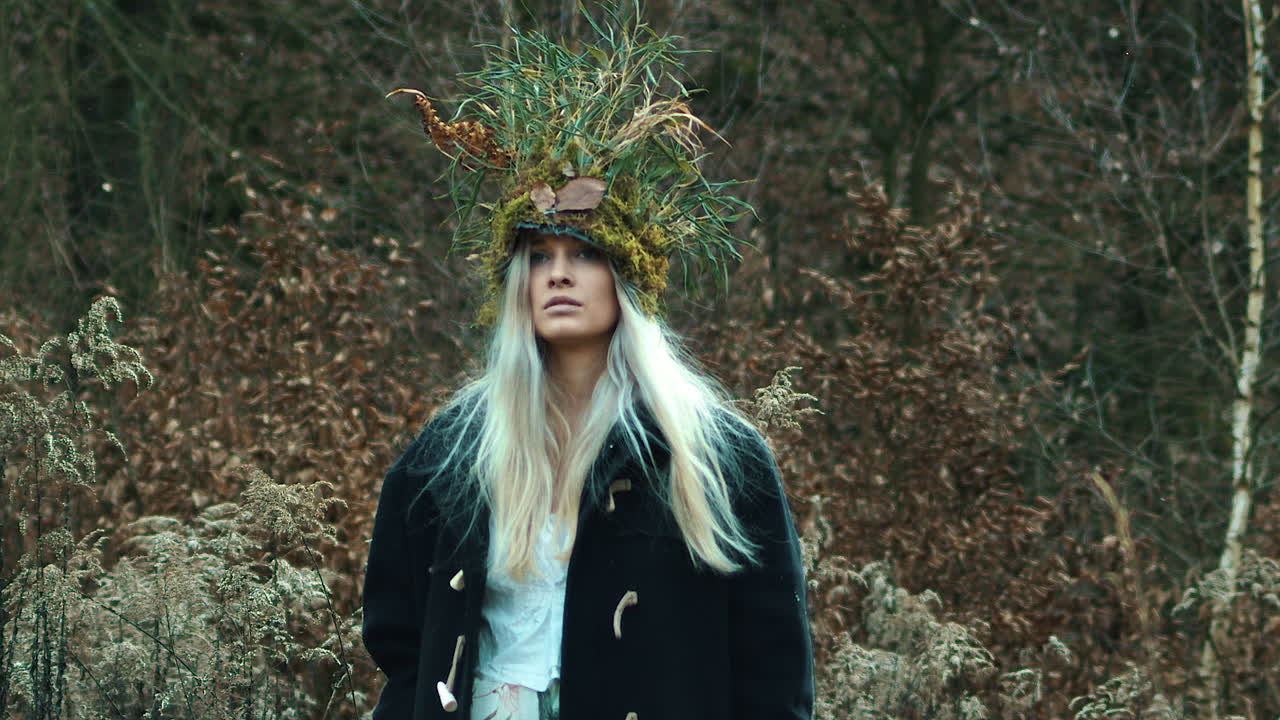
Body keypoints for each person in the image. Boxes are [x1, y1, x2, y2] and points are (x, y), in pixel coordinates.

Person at [363, 10, 813, 720]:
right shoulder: (451, 450)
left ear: (625, 278)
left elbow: (774, 664)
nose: (558, 274)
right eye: (539, 256)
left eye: (584, 253)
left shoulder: (713, 454)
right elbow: (400, 639)